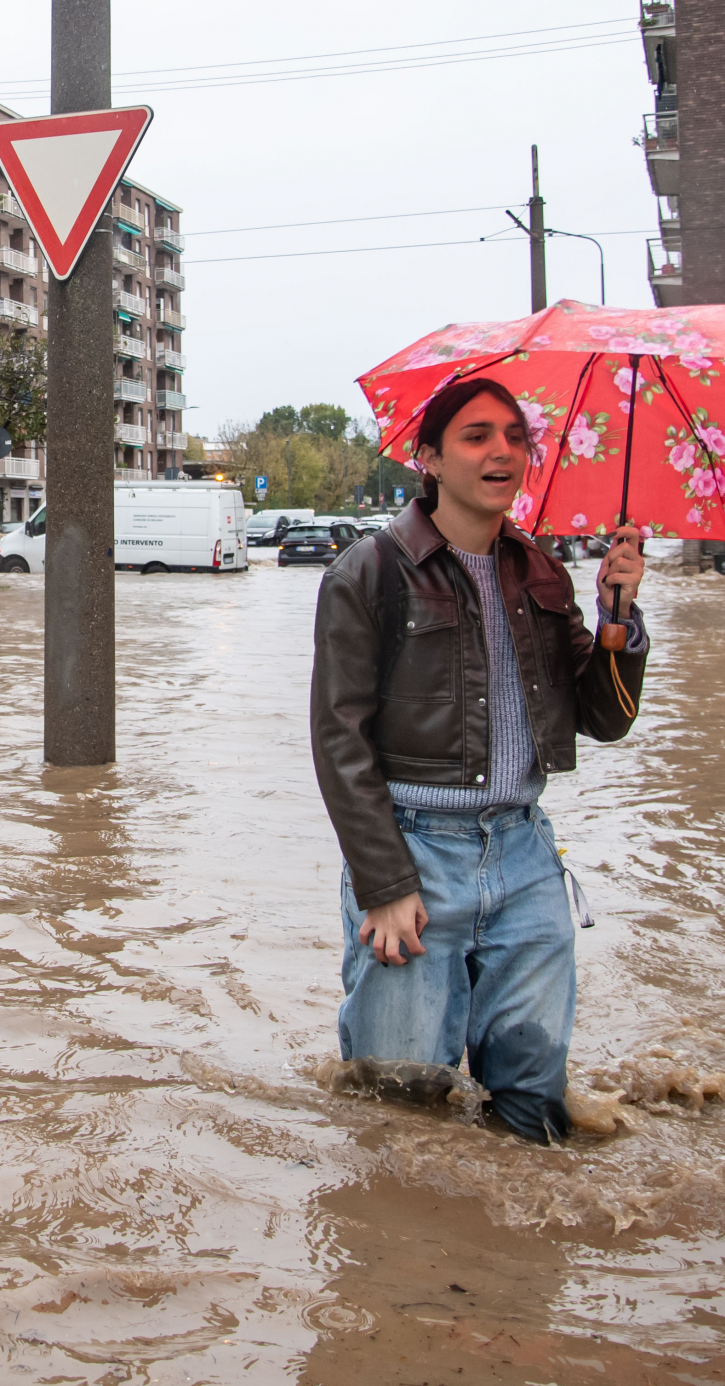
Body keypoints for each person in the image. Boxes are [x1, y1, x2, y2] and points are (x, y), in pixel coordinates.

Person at [310, 377, 649, 1143]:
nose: (503, 450)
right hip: (413, 851)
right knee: (399, 1106)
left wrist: (618, 618)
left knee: (535, 1109)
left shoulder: (542, 573)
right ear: (427, 456)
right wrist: (386, 883)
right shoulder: (370, 571)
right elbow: (339, 740)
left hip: (524, 854)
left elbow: (602, 718)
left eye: (516, 435)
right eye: (476, 435)